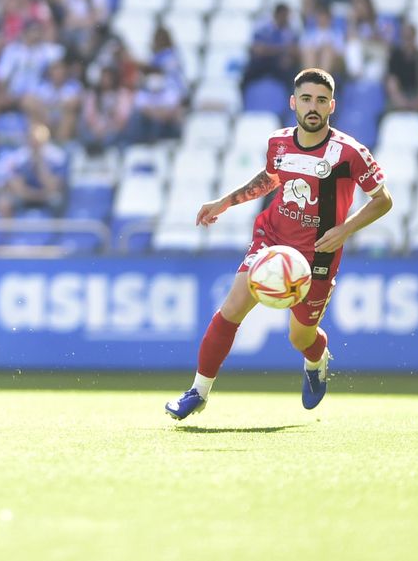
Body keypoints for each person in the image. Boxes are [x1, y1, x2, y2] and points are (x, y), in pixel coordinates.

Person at [167, 69, 391, 421]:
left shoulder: (350, 153)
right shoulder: (278, 142)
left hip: (318, 254)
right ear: (293, 102)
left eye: (320, 100)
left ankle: (317, 359)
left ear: (332, 105)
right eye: (306, 99)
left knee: (300, 337)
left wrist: (345, 230)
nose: (312, 107)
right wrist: (224, 202)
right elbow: (271, 178)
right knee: (231, 309)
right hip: (271, 240)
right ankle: (198, 391)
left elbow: (383, 200)